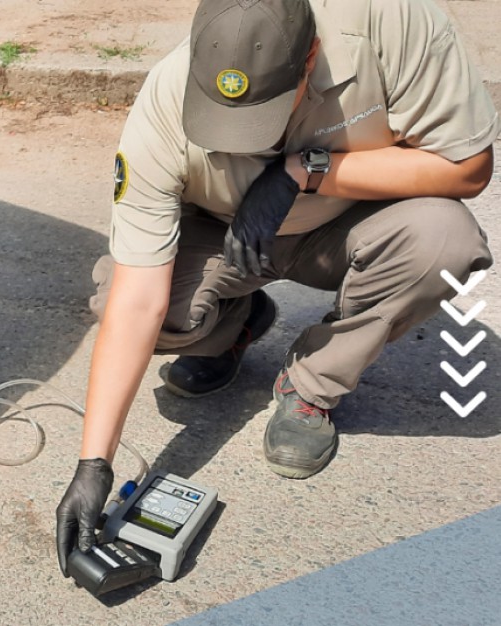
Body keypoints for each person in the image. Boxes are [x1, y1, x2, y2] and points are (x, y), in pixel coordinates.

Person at [55, 0, 498, 576]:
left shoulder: (393, 22)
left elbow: (468, 169)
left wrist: (304, 171)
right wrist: (94, 465)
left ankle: (311, 384)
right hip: (227, 239)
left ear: (311, 56)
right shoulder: (161, 107)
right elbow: (138, 297)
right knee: (121, 296)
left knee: (446, 243)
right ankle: (236, 323)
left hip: (346, 229)